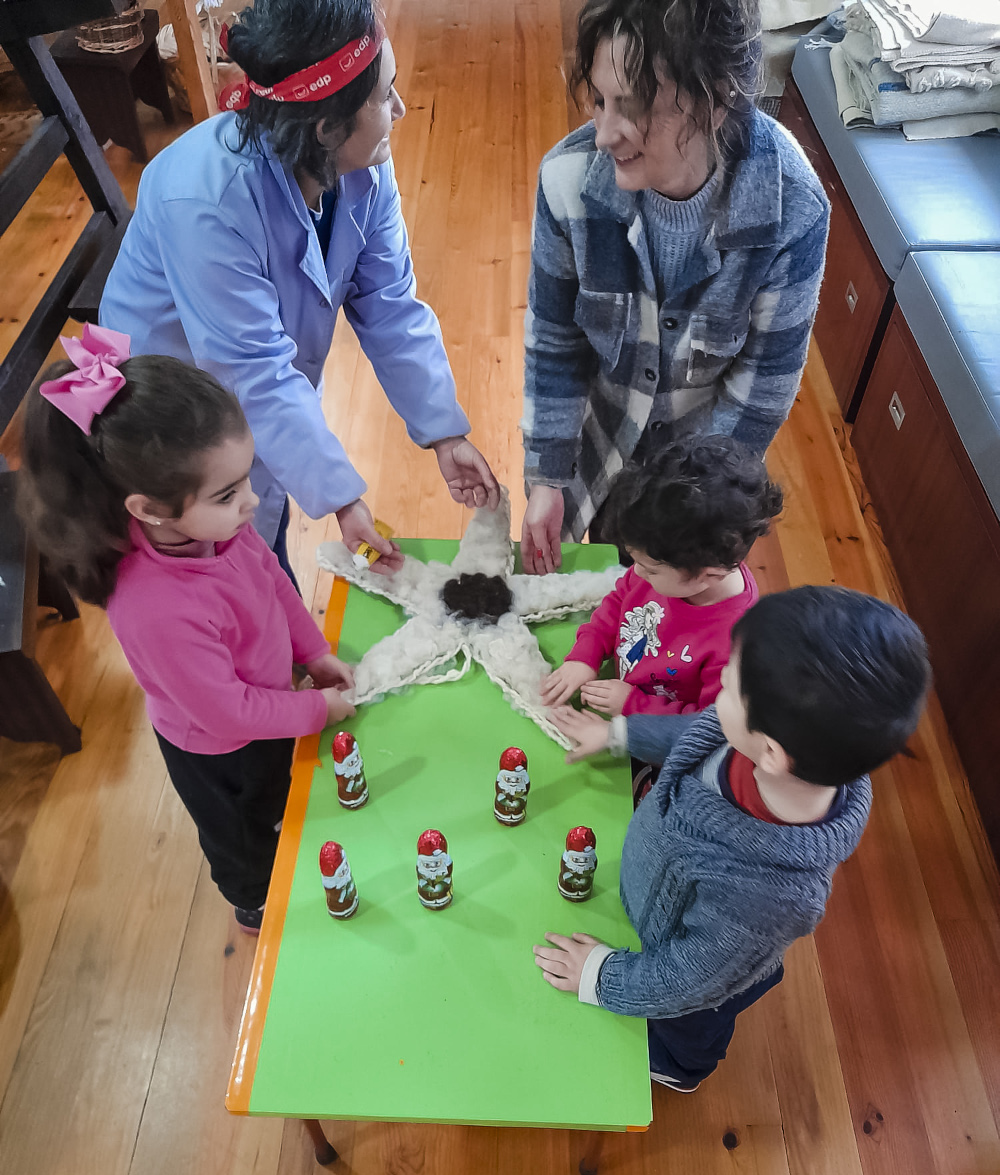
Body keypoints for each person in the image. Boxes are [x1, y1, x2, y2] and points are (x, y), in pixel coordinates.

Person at [100, 0, 499, 583]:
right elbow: (255, 372)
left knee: (259, 525)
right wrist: (342, 500)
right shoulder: (205, 201)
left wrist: (444, 431)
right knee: (210, 566)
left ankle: (271, 604)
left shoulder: (361, 164)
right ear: (326, 128)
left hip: (245, 397)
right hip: (172, 412)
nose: (401, 108)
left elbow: (389, 304)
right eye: (384, 96)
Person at [18, 325, 358, 935]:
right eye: (228, 493)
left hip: (267, 704)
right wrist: (313, 710)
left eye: (246, 479)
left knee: (283, 797)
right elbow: (228, 713)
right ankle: (254, 903)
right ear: (147, 510)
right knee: (245, 839)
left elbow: (274, 581)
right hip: (221, 751)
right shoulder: (155, 610)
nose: (252, 503)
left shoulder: (217, 526)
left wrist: (312, 652)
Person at [534, 585, 930, 1091]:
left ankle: (682, 1069)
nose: (716, 686)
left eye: (728, 685)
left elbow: (689, 978)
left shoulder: (771, 895)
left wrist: (600, 977)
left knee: (690, 1024)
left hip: (694, 974)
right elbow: (701, 730)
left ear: (769, 752)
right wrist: (620, 736)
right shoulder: (774, 744)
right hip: (663, 902)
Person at [519, 0, 829, 574]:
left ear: (716, 99)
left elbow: (758, 397)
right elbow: (555, 343)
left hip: (699, 491)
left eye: (632, 108)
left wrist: (675, 536)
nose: (606, 132)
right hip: (601, 459)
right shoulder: (564, 180)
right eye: (597, 100)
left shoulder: (795, 210)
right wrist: (547, 475)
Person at [539, 435, 781, 717]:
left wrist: (633, 706)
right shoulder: (667, 560)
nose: (636, 572)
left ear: (707, 576)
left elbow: (705, 727)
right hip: (616, 697)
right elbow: (616, 604)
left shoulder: (733, 647)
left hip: (649, 739)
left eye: (651, 569)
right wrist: (585, 658)